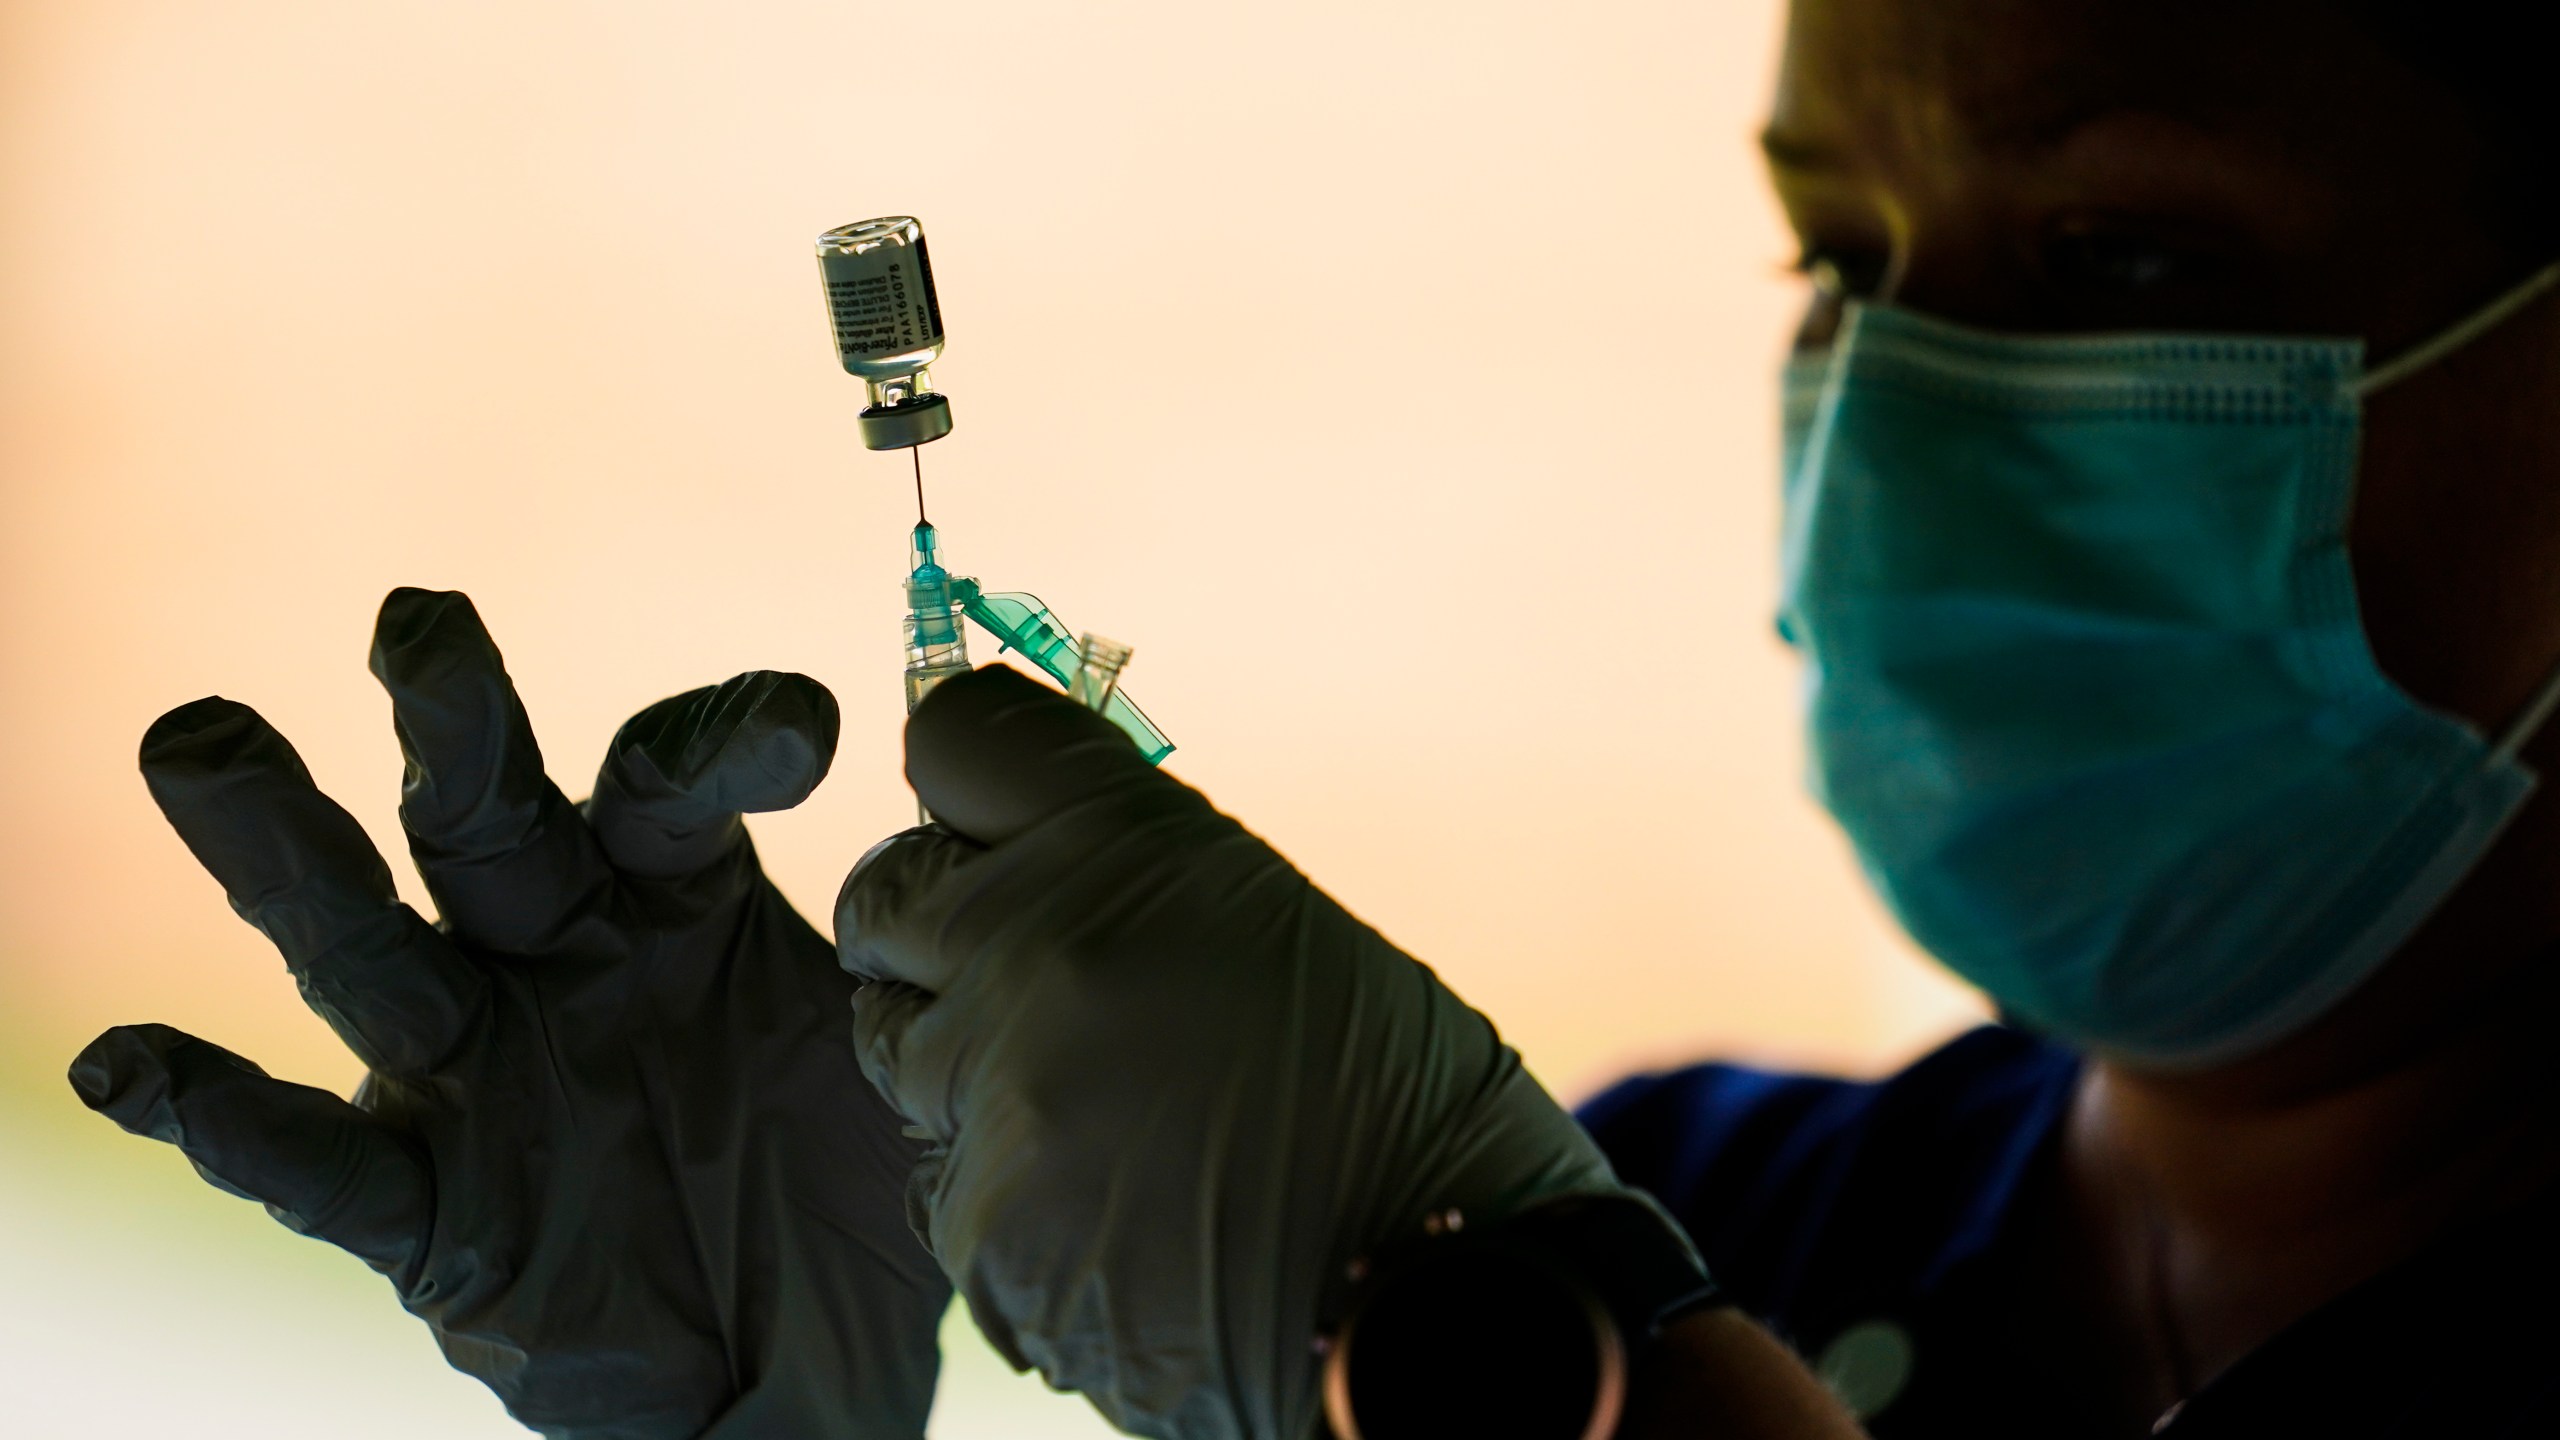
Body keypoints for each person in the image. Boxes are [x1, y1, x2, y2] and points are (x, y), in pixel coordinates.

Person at [70, 1, 2560, 1436]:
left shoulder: (1528, 1284)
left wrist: (1520, 1380)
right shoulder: (1710, 1208)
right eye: (1836, 255)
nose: (1893, 407)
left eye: (2123, 252)